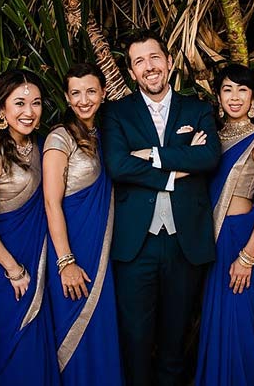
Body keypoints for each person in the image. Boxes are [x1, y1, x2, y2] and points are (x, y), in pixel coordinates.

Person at [101, 29, 221, 386]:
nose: (149, 67)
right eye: (139, 61)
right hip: (137, 245)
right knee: (136, 343)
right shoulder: (116, 113)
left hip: (186, 244)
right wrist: (174, 173)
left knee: (174, 344)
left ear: (168, 61)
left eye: (154, 57)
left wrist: (152, 155)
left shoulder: (197, 109)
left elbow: (209, 157)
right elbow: (119, 166)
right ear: (132, 71)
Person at [0, 69, 59, 385]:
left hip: (41, 259)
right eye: (19, 103)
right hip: (9, 269)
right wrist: (13, 269)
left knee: (40, 344)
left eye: (35, 103)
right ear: (2, 110)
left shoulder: (43, 145)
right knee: (14, 350)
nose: (29, 112)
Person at [194, 64, 254, 386]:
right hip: (212, 242)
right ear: (218, 96)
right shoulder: (211, 140)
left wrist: (247, 257)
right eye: (228, 89)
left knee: (237, 324)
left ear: (253, 98)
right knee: (215, 325)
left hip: (241, 241)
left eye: (242, 90)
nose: (235, 97)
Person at [42, 63, 123, 384]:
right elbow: (51, 202)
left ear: (103, 93)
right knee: (71, 332)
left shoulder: (106, 136)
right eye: (76, 93)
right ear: (66, 96)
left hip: (101, 251)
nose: (84, 99)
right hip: (72, 251)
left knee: (99, 332)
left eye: (91, 91)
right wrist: (65, 262)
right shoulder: (59, 138)